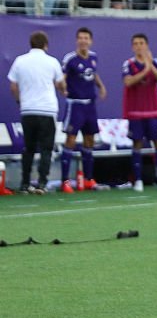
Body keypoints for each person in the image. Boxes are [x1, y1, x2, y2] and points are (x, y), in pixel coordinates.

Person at [7, 31, 65, 193]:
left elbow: (13, 86)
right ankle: (42, 183)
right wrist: (63, 90)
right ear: (46, 45)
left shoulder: (20, 61)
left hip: (28, 109)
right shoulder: (52, 61)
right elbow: (61, 84)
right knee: (46, 148)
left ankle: (25, 183)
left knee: (29, 147)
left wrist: (20, 101)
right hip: (47, 109)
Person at [121, 34, 157, 192]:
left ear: (146, 45)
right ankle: (138, 180)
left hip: (153, 111)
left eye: (142, 43)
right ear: (133, 47)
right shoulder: (129, 64)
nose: (139, 46)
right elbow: (128, 81)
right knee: (137, 144)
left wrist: (149, 65)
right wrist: (145, 69)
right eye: (136, 44)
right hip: (136, 112)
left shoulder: (154, 63)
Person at [59, 27, 108, 193]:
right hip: (75, 104)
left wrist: (101, 87)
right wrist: (62, 88)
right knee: (71, 140)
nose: (83, 41)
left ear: (90, 41)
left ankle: (88, 179)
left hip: (90, 105)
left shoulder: (93, 57)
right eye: (80, 38)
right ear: (76, 40)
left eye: (86, 38)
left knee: (89, 140)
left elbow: (93, 74)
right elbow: (61, 78)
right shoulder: (70, 59)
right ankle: (65, 181)